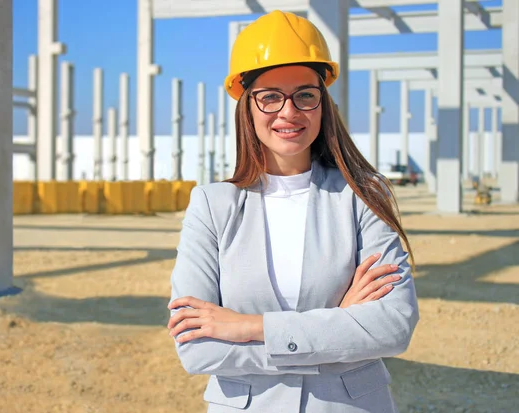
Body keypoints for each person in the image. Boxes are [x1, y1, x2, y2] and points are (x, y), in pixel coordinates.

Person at [167, 10, 419, 413]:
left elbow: (393, 326)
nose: (288, 111)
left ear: (322, 104)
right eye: (269, 97)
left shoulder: (364, 196)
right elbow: (197, 350)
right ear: (246, 107)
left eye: (305, 94)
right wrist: (339, 326)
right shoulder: (212, 206)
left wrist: (249, 327)